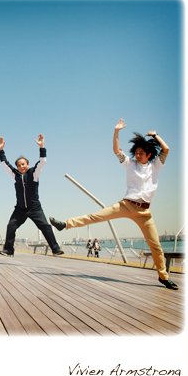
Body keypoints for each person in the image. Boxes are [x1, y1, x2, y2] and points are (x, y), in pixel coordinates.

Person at [49, 119, 178, 290]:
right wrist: (116, 131)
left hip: (144, 212)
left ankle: (163, 277)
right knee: (95, 217)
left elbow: (166, 149)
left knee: (156, 246)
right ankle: (65, 224)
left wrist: (155, 135)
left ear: (149, 154)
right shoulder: (130, 164)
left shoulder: (156, 165)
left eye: (141, 153)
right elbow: (117, 150)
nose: (137, 155)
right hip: (126, 205)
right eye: (136, 152)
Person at [0, 135, 64, 257]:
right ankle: (8, 250)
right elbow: (4, 164)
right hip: (20, 209)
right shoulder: (15, 175)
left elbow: (42, 161)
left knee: (45, 227)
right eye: (19, 165)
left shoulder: (34, 173)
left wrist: (42, 147)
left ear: (27, 164)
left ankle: (55, 249)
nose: (21, 167)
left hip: (34, 208)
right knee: (11, 226)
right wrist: (1, 150)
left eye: (23, 164)